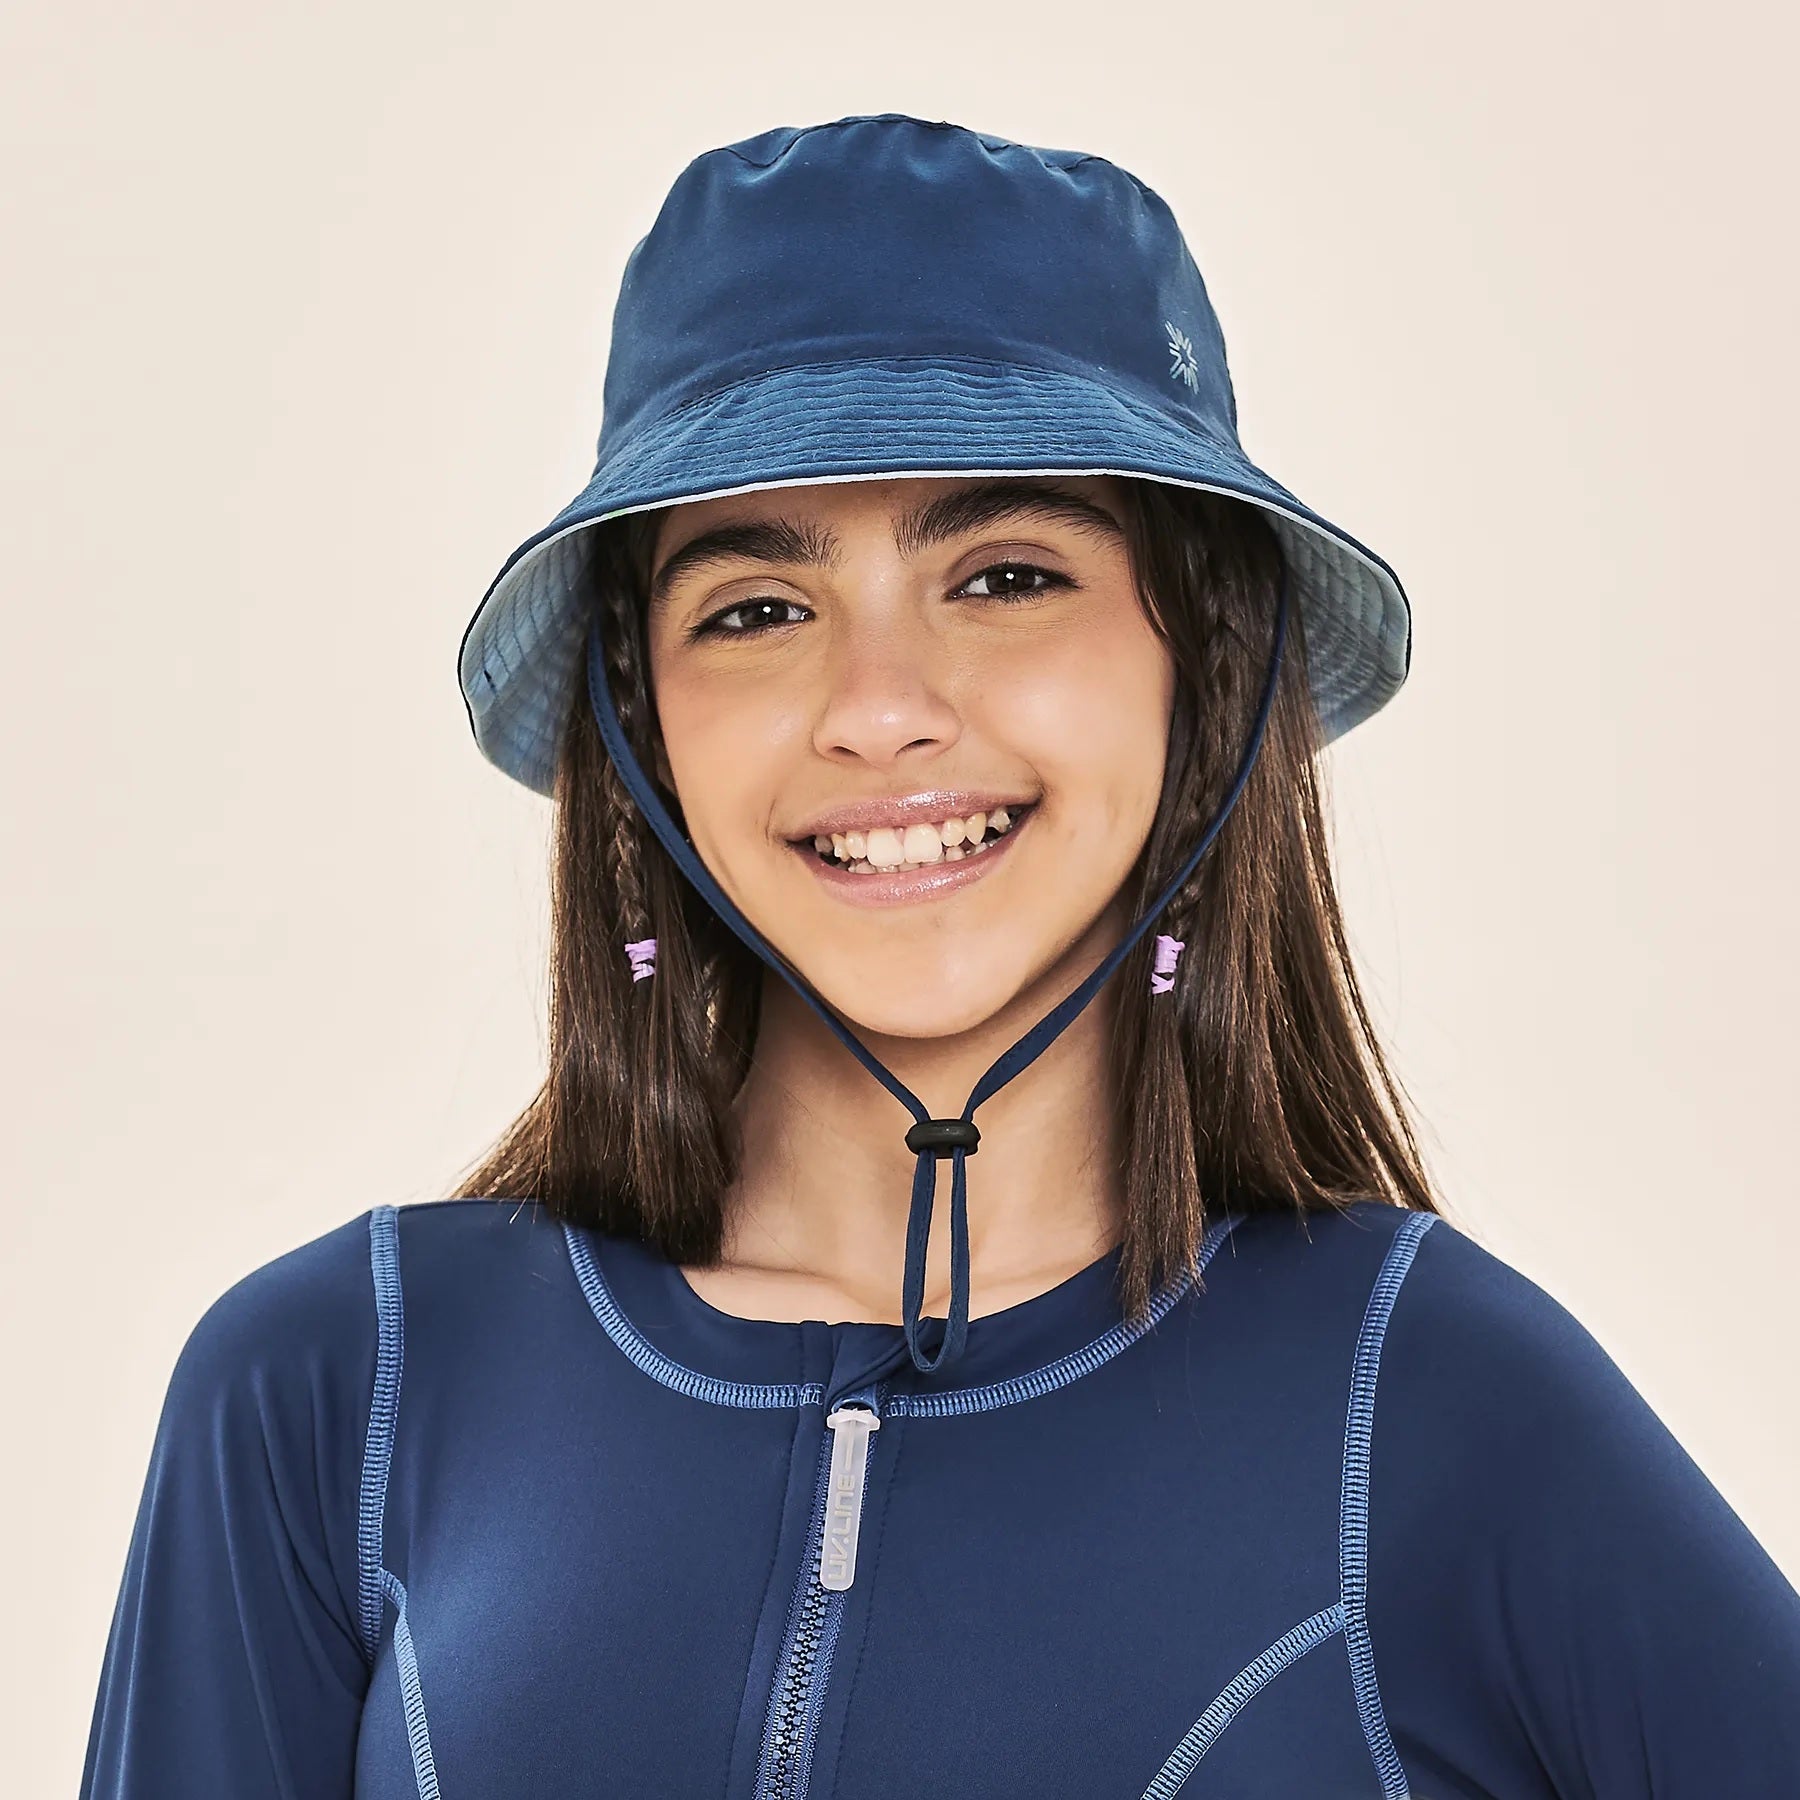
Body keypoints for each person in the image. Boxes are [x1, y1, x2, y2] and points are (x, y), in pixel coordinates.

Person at [80, 112, 1800, 1800]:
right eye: (757, 609)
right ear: (642, 715)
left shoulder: (1428, 1405)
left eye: (1008, 576)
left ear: (1201, 660)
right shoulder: (335, 1393)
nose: (881, 711)